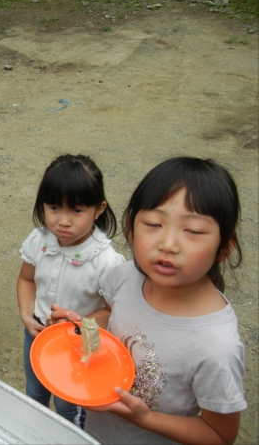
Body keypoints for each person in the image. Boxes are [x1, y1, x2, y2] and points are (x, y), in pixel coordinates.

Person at [51, 157, 247, 444]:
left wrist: (145, 418)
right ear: (130, 227)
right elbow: (111, 312)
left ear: (224, 247)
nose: (168, 244)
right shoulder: (124, 277)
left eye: (193, 231)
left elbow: (219, 435)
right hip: (94, 430)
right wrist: (87, 326)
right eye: (153, 224)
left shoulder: (217, 347)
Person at [17, 154, 125, 427]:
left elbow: (112, 311)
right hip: (38, 333)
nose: (63, 221)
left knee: (69, 405)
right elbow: (27, 280)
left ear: (99, 209)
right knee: (35, 391)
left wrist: (82, 322)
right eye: (54, 208)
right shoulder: (40, 241)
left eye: (76, 211)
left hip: (79, 347)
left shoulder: (106, 261)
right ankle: (35, 430)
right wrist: (27, 315)